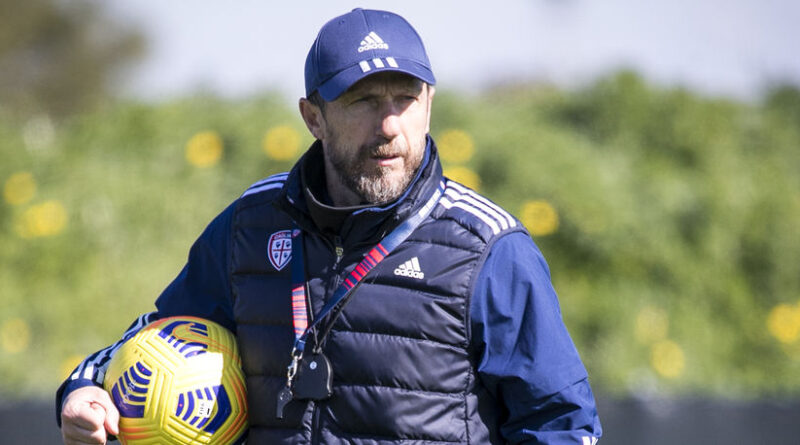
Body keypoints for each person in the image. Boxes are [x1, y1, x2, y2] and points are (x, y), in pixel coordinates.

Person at [57, 8, 602, 444]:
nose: (389, 126)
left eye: (405, 99)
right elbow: (154, 339)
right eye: (363, 101)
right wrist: (84, 391)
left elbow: (561, 422)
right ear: (313, 116)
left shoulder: (488, 248)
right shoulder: (252, 223)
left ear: (429, 106)